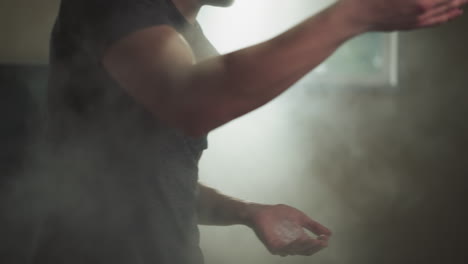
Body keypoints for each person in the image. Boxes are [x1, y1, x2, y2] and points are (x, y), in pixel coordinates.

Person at [3, 0, 464, 263]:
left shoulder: (188, 37)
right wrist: (352, 15)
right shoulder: (113, 4)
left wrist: (246, 212)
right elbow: (190, 101)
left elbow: (147, 176)